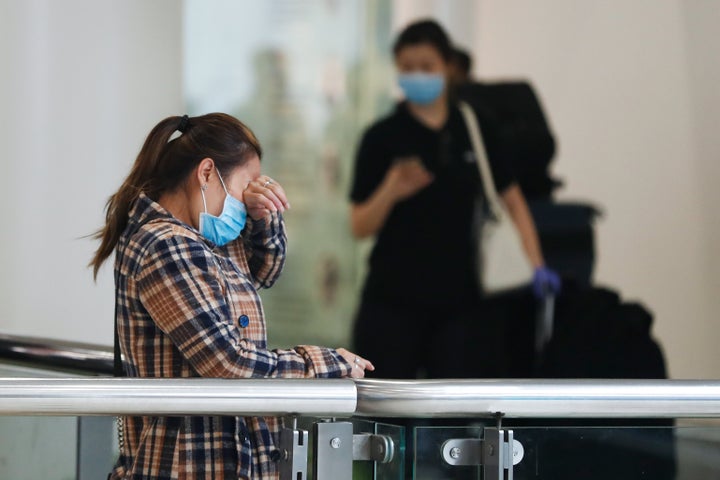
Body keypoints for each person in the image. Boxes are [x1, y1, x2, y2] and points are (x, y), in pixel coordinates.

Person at [90, 113, 373, 480]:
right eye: (245, 187)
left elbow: (263, 273)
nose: (247, 198)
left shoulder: (205, 240)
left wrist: (262, 216)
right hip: (187, 466)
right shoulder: (168, 245)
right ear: (206, 172)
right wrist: (325, 363)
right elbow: (228, 363)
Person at [349, 19, 560, 380]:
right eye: (408, 68)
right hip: (393, 301)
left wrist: (535, 263)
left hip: (464, 302)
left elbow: (512, 200)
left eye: (427, 67)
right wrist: (392, 189)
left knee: (457, 415)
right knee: (381, 408)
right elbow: (359, 225)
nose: (418, 76)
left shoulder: (476, 128)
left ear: (449, 66)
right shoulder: (382, 137)